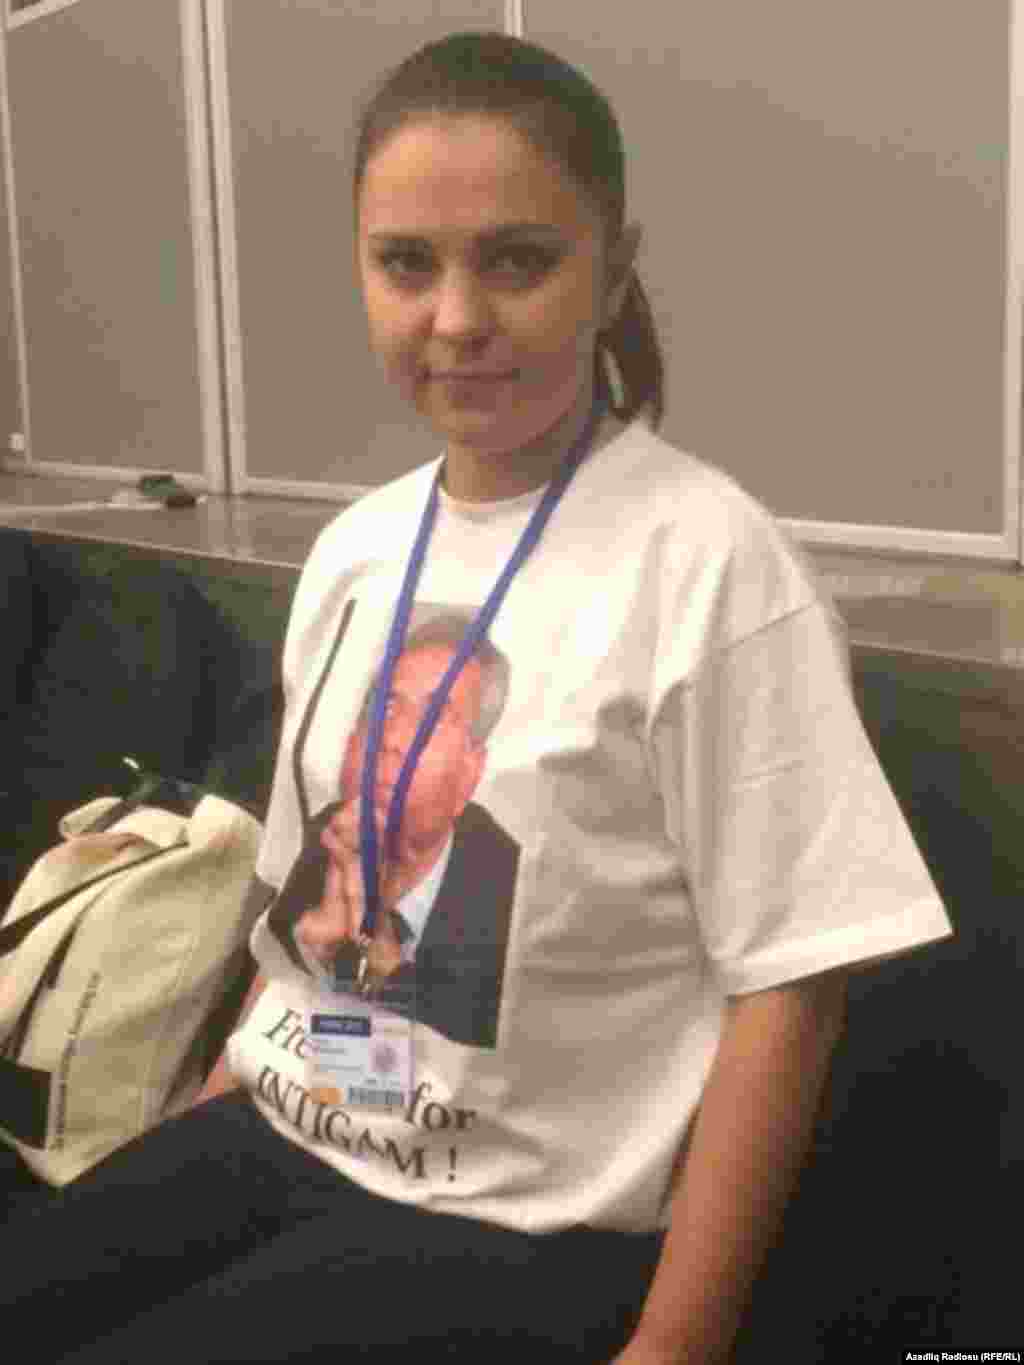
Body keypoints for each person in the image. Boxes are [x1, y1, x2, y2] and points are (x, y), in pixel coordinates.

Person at [0, 31, 952, 1364]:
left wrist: (676, 1347)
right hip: (290, 1121)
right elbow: (293, 932)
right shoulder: (358, 550)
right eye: (407, 264)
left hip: (516, 1218)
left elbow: (791, 992)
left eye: (517, 260)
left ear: (612, 271)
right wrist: (206, 1120)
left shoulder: (709, 565)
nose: (456, 318)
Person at [267, 612, 520, 1047]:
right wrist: (311, 950)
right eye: (386, 707)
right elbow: (265, 1014)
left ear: (470, 772)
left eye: (433, 718)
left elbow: (484, 1050)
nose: (392, 738)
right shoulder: (326, 834)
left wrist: (382, 957)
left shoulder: (509, 888)